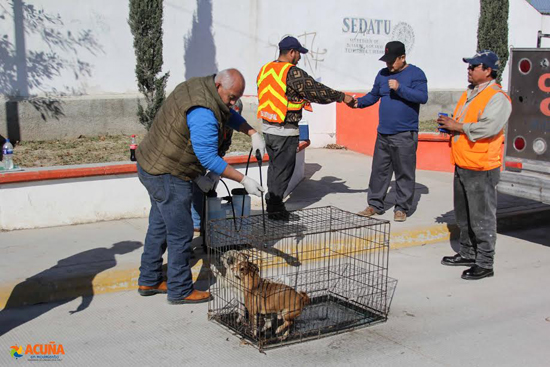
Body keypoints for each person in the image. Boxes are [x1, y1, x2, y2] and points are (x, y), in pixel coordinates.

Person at [135, 69, 266, 304]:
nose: (233, 102)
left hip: (151, 164)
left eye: (238, 97)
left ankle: (149, 279)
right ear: (218, 87)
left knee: (159, 224)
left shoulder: (201, 87)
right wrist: (243, 180)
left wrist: (251, 131)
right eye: (231, 97)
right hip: (169, 172)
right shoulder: (204, 112)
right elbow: (207, 157)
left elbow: (227, 113)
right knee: (180, 233)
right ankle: (180, 290)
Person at [257, 36, 356, 220]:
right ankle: (275, 210)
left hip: (268, 128)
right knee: (283, 171)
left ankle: (272, 203)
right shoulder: (292, 73)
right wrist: (342, 97)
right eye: (299, 54)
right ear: (292, 52)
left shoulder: (266, 69)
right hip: (285, 130)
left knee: (274, 169)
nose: (300, 58)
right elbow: (317, 91)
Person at [439, 51, 512, 280]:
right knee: (464, 216)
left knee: (482, 218)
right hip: (463, 162)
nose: (469, 70)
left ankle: (484, 263)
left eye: (473, 66)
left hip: (481, 166)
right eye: (469, 67)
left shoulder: (497, 97)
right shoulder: (471, 93)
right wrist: (450, 126)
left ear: (488, 70)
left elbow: (488, 128)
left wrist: (458, 126)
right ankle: (468, 253)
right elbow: (465, 122)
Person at [355, 41, 428, 222]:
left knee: (404, 172)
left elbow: (422, 97)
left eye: (391, 61)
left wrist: (400, 88)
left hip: (404, 133)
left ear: (402, 58)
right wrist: (358, 102)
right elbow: (373, 95)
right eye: (386, 61)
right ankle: (375, 204)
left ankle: (401, 207)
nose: (388, 65)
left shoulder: (416, 74)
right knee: (379, 171)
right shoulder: (382, 74)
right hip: (383, 133)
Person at [191, 99, 242, 233]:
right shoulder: (205, 123)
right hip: (188, 163)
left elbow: (223, 147)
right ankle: (196, 223)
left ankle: (202, 221)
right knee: (191, 190)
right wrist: (196, 176)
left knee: (207, 188)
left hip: (205, 160)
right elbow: (188, 153)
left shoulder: (228, 128)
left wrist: (215, 172)